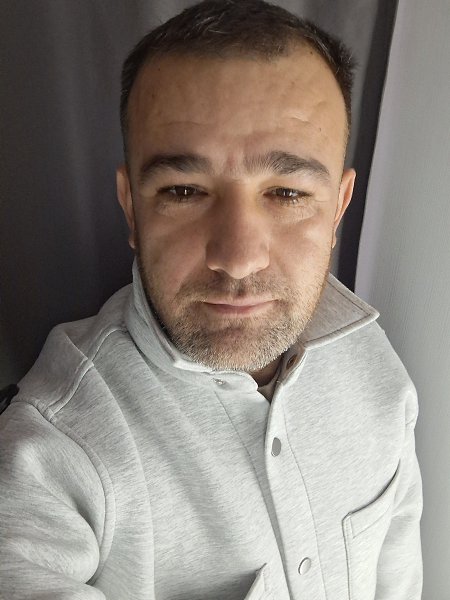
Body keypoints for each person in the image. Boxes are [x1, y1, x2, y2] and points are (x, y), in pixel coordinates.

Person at [0, 1, 423, 598]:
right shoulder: (57, 448)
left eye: (286, 192)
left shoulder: (378, 372)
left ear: (338, 209)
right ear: (131, 207)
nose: (238, 257)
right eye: (184, 190)